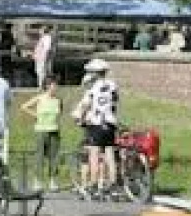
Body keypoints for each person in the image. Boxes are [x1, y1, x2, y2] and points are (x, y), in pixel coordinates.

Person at [74, 58, 120, 193]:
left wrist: (80, 118)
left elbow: (86, 104)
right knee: (109, 153)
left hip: (97, 123)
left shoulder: (93, 88)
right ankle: (113, 183)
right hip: (110, 122)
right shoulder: (113, 85)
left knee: (94, 153)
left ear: (94, 73)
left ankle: (93, 184)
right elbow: (115, 101)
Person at [23, 78, 63, 178]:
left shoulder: (58, 100)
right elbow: (24, 106)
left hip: (54, 131)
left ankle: (53, 180)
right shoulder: (40, 98)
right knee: (39, 156)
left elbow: (59, 113)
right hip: (41, 131)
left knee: (54, 157)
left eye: (56, 85)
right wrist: (36, 115)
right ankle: (38, 180)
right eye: (54, 85)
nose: (56, 87)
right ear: (48, 86)